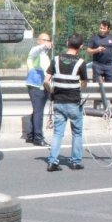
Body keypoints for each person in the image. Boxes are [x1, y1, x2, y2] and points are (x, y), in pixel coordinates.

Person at [44, 33, 88, 171]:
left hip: (58, 102)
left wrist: (51, 92)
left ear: (67, 43)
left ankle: (52, 162)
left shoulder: (56, 60)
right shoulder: (81, 62)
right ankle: (75, 162)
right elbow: (84, 82)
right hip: (74, 102)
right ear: (81, 46)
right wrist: (78, 89)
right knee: (77, 133)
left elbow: (46, 80)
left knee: (58, 133)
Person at [87, 19, 112, 108]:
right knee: (97, 85)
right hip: (97, 64)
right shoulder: (94, 38)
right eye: (101, 28)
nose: (102, 30)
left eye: (104, 28)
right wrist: (97, 50)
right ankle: (97, 104)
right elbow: (88, 51)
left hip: (109, 65)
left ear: (108, 29)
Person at [25, 33, 52, 146]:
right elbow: (36, 50)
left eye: (48, 40)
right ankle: (38, 137)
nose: (47, 42)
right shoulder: (35, 51)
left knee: (37, 110)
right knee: (39, 112)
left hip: (43, 85)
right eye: (44, 40)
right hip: (36, 85)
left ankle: (31, 135)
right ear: (38, 40)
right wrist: (45, 45)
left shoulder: (44, 55)